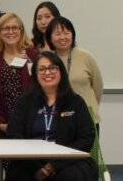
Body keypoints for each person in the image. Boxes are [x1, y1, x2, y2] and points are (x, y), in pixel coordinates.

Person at [6, 52, 98, 180]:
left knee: (69, 177)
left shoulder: (76, 101)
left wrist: (53, 166)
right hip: (31, 161)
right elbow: (14, 135)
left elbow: (86, 138)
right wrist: (36, 167)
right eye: (42, 69)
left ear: (61, 71)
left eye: (52, 68)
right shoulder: (25, 102)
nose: (47, 72)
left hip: (69, 160)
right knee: (18, 174)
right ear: (35, 74)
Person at [0, 12, 39, 135]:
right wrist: (0, 123)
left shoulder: (33, 55)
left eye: (14, 28)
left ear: (21, 30)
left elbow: (40, 89)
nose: (11, 32)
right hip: (5, 125)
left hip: (33, 123)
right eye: (6, 28)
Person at [45, 17, 103, 124]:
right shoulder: (47, 60)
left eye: (67, 33)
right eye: (57, 34)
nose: (63, 37)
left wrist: (91, 105)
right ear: (50, 38)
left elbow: (98, 87)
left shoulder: (86, 57)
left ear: (72, 35)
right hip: (58, 117)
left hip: (87, 116)